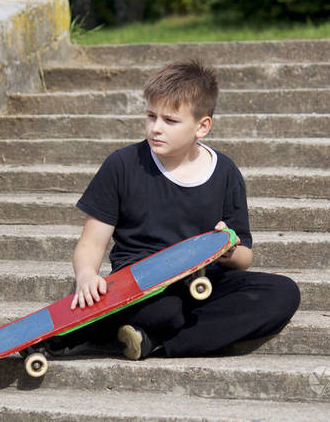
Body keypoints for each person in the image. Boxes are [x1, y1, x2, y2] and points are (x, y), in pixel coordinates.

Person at [48, 59, 300, 360]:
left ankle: (152, 342)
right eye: (151, 116)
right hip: (141, 285)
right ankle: (134, 328)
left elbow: (244, 256)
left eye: (170, 120)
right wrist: (87, 275)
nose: (156, 128)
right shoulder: (122, 165)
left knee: (282, 293)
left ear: (202, 126)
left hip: (203, 283)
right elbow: (91, 242)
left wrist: (228, 249)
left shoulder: (225, 172)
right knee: (164, 312)